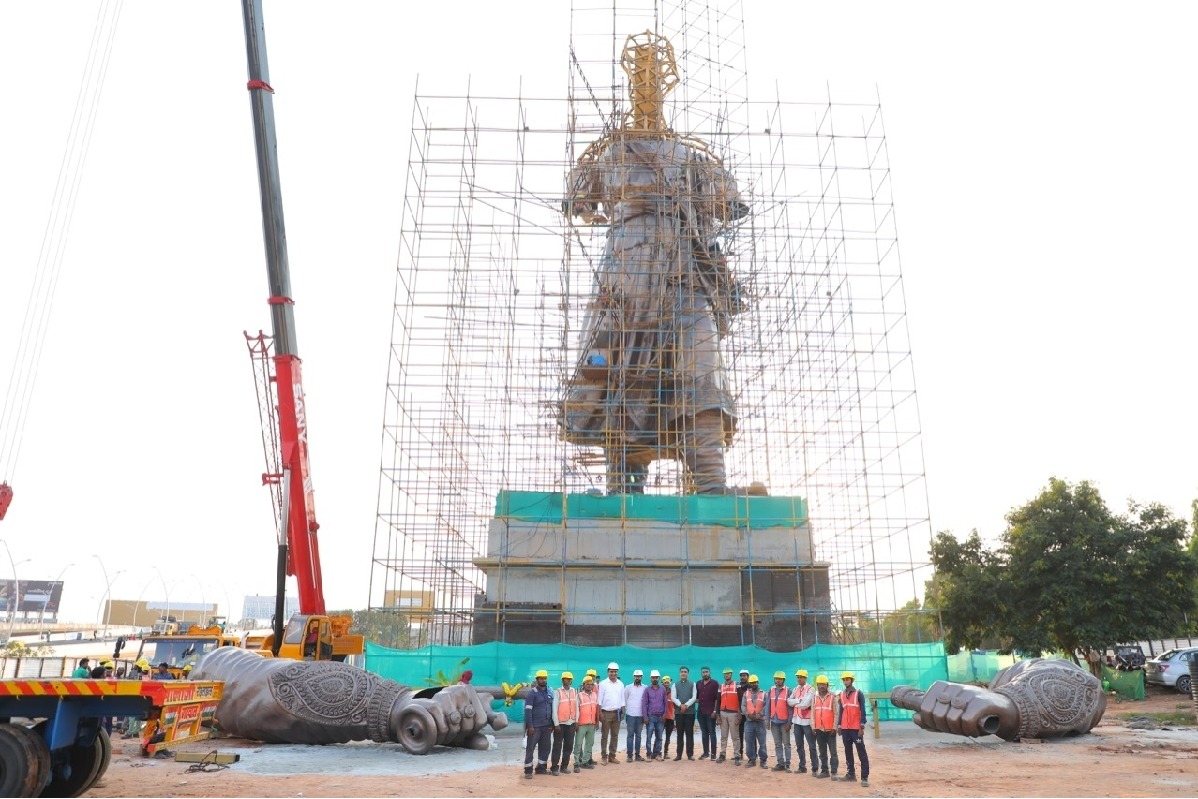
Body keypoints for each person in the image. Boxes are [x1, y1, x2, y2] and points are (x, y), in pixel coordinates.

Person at [558, 31, 749, 496]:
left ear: (667, 84)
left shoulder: (691, 156)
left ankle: (709, 484)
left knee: (700, 363)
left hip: (682, 270)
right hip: (625, 275)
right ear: (627, 83)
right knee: (619, 372)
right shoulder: (608, 152)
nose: (645, 85)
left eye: (654, 76)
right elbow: (578, 203)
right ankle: (625, 487)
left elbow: (729, 205)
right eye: (637, 75)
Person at [837, 672, 869, 786]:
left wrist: (862, 726)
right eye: (844, 680)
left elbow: (863, 711)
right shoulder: (841, 694)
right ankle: (851, 774)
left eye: (847, 679)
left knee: (861, 752)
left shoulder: (858, 693)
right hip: (845, 728)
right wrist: (839, 725)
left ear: (852, 680)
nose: (845, 681)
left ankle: (864, 777)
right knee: (848, 751)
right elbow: (841, 711)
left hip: (856, 728)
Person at [523, 669, 554, 779]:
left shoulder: (549, 692)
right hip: (535, 727)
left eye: (545, 678)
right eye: (541, 678)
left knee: (545, 747)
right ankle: (528, 770)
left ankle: (541, 768)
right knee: (530, 748)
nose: (543, 680)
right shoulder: (532, 693)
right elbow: (528, 710)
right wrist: (530, 726)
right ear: (537, 680)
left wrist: (551, 724)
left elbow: (551, 708)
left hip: (546, 726)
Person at [788, 669, 818, 775]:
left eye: (801, 677)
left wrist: (795, 702)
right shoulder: (795, 689)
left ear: (805, 678)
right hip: (797, 721)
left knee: (812, 746)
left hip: (807, 722)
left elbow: (805, 704)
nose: (799, 679)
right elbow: (788, 701)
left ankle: (815, 768)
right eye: (798, 677)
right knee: (799, 745)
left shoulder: (811, 689)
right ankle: (802, 766)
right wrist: (799, 701)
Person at [811, 675, 840, 779]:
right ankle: (824, 771)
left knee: (833, 751)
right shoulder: (815, 697)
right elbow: (812, 713)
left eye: (823, 684)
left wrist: (834, 727)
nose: (821, 686)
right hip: (819, 729)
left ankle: (834, 772)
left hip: (830, 729)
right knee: (822, 751)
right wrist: (813, 727)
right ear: (817, 685)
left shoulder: (833, 697)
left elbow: (836, 713)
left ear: (827, 685)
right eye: (819, 684)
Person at [550, 671, 579, 776]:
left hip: (571, 723)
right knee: (557, 746)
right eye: (565, 679)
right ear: (562, 680)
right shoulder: (557, 692)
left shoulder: (574, 691)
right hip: (560, 724)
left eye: (569, 679)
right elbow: (554, 708)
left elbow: (577, 707)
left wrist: (576, 721)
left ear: (571, 680)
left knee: (568, 746)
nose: (567, 680)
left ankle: (564, 766)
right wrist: (556, 723)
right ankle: (554, 768)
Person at [597, 662, 625, 764]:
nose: (613, 673)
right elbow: (599, 700)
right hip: (606, 713)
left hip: (617, 713)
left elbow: (622, 700)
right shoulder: (603, 684)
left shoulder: (621, 684)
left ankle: (612, 756)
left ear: (617, 672)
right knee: (604, 736)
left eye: (615, 672)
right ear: (608, 672)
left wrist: (623, 711)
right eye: (611, 671)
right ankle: (604, 756)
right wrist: (599, 713)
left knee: (615, 736)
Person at [740, 674, 768, 769]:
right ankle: (752, 759)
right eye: (752, 683)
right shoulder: (746, 694)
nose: (753, 684)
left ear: (758, 683)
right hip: (749, 722)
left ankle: (763, 760)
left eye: (755, 682)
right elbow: (743, 706)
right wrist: (748, 714)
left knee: (762, 742)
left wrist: (759, 715)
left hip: (760, 722)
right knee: (749, 742)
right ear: (750, 683)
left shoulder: (764, 693)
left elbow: (766, 706)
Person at [671, 666, 697, 760]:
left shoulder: (692, 684)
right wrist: (680, 705)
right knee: (680, 734)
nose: (683, 673)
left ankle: (690, 755)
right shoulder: (675, 684)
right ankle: (679, 755)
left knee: (689, 733)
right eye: (682, 672)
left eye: (685, 672)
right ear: (679, 673)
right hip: (679, 713)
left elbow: (694, 697)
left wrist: (685, 705)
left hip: (690, 712)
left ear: (688, 673)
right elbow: (673, 697)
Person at [642, 670, 670, 760]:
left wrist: (665, 714)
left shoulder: (662, 689)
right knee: (649, 736)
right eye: (653, 677)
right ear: (650, 678)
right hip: (650, 717)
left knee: (659, 737)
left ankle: (657, 754)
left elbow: (666, 703)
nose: (654, 679)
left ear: (658, 678)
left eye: (656, 678)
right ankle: (649, 754)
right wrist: (645, 717)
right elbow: (644, 704)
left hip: (660, 717)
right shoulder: (647, 690)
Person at [574, 676, 599, 771]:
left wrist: (596, 722)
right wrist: (576, 722)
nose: (589, 686)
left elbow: (596, 709)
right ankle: (576, 762)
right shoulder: (579, 695)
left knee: (589, 743)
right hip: (581, 724)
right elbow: (577, 709)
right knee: (578, 744)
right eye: (587, 684)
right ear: (584, 685)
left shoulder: (594, 695)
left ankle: (585, 761)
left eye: (591, 684)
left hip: (592, 723)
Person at [768, 671, 792, 772]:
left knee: (786, 744)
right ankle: (780, 763)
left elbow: (790, 708)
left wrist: (789, 722)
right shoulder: (771, 690)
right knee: (777, 744)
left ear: (784, 680)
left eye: (780, 679)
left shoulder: (788, 691)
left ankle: (787, 764)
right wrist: (767, 719)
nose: (778, 680)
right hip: (774, 721)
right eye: (776, 678)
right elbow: (768, 706)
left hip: (784, 722)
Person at [717, 668, 741, 763]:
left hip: (734, 714)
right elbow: (718, 700)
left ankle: (737, 756)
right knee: (723, 735)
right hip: (723, 713)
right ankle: (722, 754)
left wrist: (740, 714)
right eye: (725, 674)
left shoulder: (736, 684)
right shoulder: (721, 686)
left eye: (728, 674)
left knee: (735, 736)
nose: (727, 675)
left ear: (731, 674)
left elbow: (740, 699)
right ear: (723, 675)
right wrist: (718, 714)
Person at [695, 666, 720, 760]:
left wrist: (715, 711)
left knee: (712, 733)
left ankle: (713, 754)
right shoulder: (698, 683)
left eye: (706, 672)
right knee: (704, 733)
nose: (705, 673)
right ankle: (706, 753)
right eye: (703, 672)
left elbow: (717, 698)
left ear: (710, 672)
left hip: (710, 713)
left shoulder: (714, 683)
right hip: (701, 713)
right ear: (701, 673)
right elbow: (697, 698)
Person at [624, 668, 648, 761]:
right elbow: (625, 700)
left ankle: (637, 755)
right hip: (630, 715)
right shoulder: (628, 687)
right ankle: (629, 755)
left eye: (639, 676)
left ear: (641, 677)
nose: (637, 678)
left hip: (640, 715)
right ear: (633, 677)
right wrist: (627, 710)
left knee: (638, 735)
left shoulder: (645, 688)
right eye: (636, 676)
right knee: (630, 735)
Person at [735, 668, 750, 762]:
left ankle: (753, 755)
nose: (742, 677)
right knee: (739, 735)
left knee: (750, 735)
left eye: (744, 675)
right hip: (740, 714)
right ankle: (739, 754)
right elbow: (735, 700)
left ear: (748, 676)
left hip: (749, 715)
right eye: (741, 675)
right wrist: (738, 712)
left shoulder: (752, 686)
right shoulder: (737, 687)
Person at [661, 675, 676, 759]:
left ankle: (666, 752)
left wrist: (674, 718)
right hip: (661, 718)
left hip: (670, 718)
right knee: (658, 736)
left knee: (668, 737)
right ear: (662, 682)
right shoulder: (659, 692)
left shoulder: (673, 693)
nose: (666, 683)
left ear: (670, 682)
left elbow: (675, 706)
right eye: (665, 681)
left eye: (668, 681)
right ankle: (657, 752)